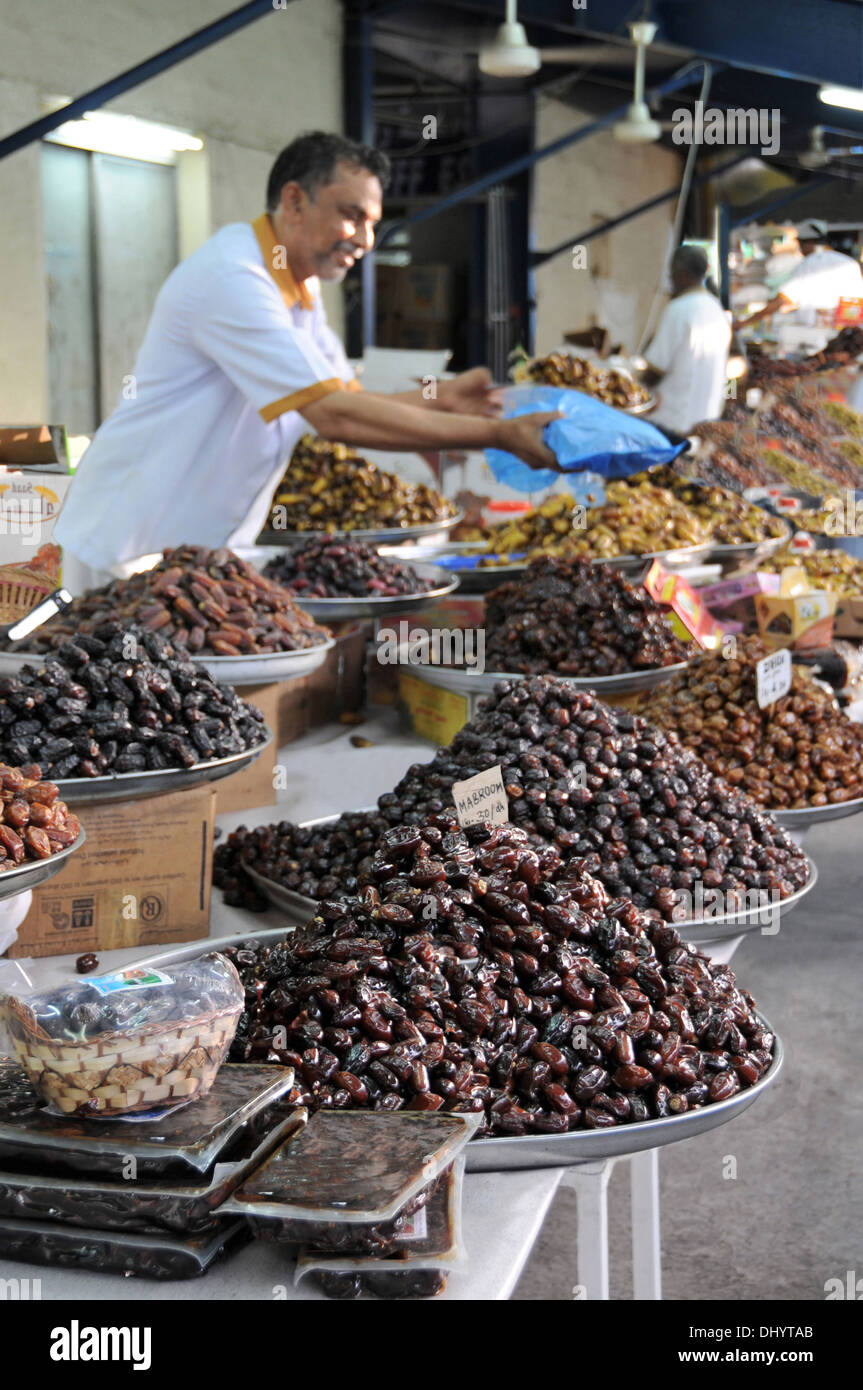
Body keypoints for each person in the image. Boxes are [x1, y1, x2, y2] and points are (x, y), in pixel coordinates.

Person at [55, 131, 558, 574]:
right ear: (294, 202)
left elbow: (350, 398)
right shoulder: (234, 279)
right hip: (123, 552)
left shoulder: (301, 289)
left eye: (372, 223)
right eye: (351, 215)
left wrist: (443, 396)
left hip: (196, 559)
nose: (364, 239)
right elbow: (334, 417)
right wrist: (498, 435)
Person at [641, 245, 732, 436]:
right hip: (707, 418)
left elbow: (655, 370)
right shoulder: (716, 308)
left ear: (678, 272)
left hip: (673, 420)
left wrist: (633, 390)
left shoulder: (679, 309)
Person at [734, 219, 863, 331]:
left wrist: (745, 323)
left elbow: (780, 301)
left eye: (801, 244)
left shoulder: (810, 263)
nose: (800, 249)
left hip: (817, 332)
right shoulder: (849, 263)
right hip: (847, 331)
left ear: (809, 243)